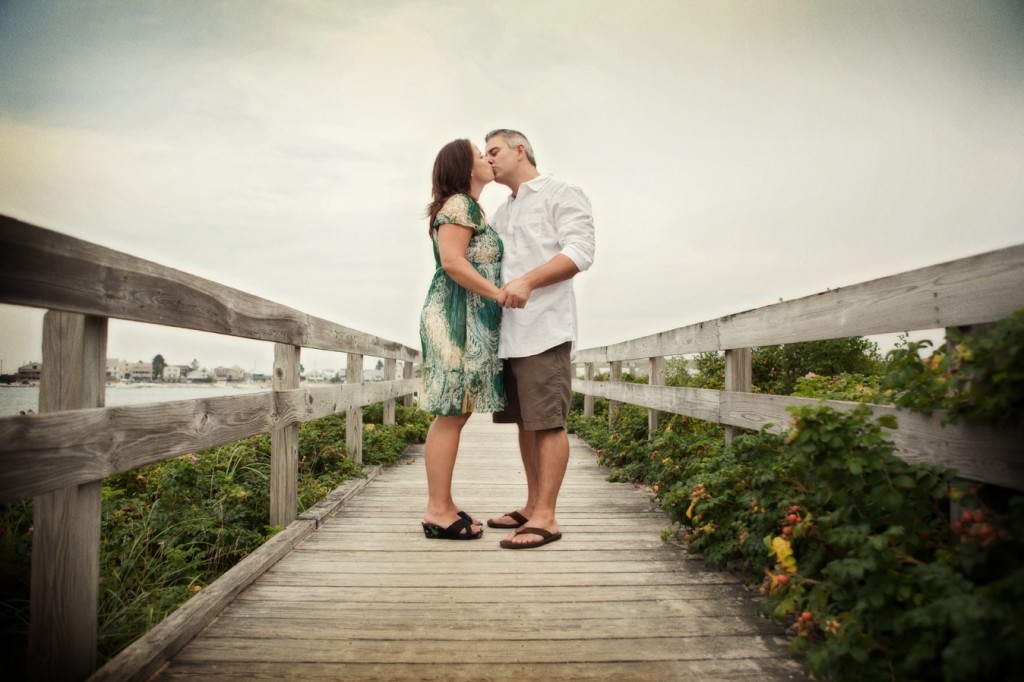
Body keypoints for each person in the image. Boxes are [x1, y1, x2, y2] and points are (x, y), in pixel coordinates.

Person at [483, 129, 596, 549]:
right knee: (525, 423)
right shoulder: (501, 211)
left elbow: (581, 251)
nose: (488, 159)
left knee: (548, 423)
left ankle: (547, 517)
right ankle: (532, 505)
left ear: (520, 150)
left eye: (493, 151)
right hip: (509, 335)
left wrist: (529, 282)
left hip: (546, 328)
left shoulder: (560, 192)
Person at [418, 138, 507, 540]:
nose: (488, 159)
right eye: (480, 154)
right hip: (455, 319)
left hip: (468, 319)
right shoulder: (459, 205)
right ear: (465, 167)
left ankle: (444, 502)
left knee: (457, 411)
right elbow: (453, 263)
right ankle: (437, 510)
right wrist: (498, 294)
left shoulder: (469, 207)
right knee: (451, 413)